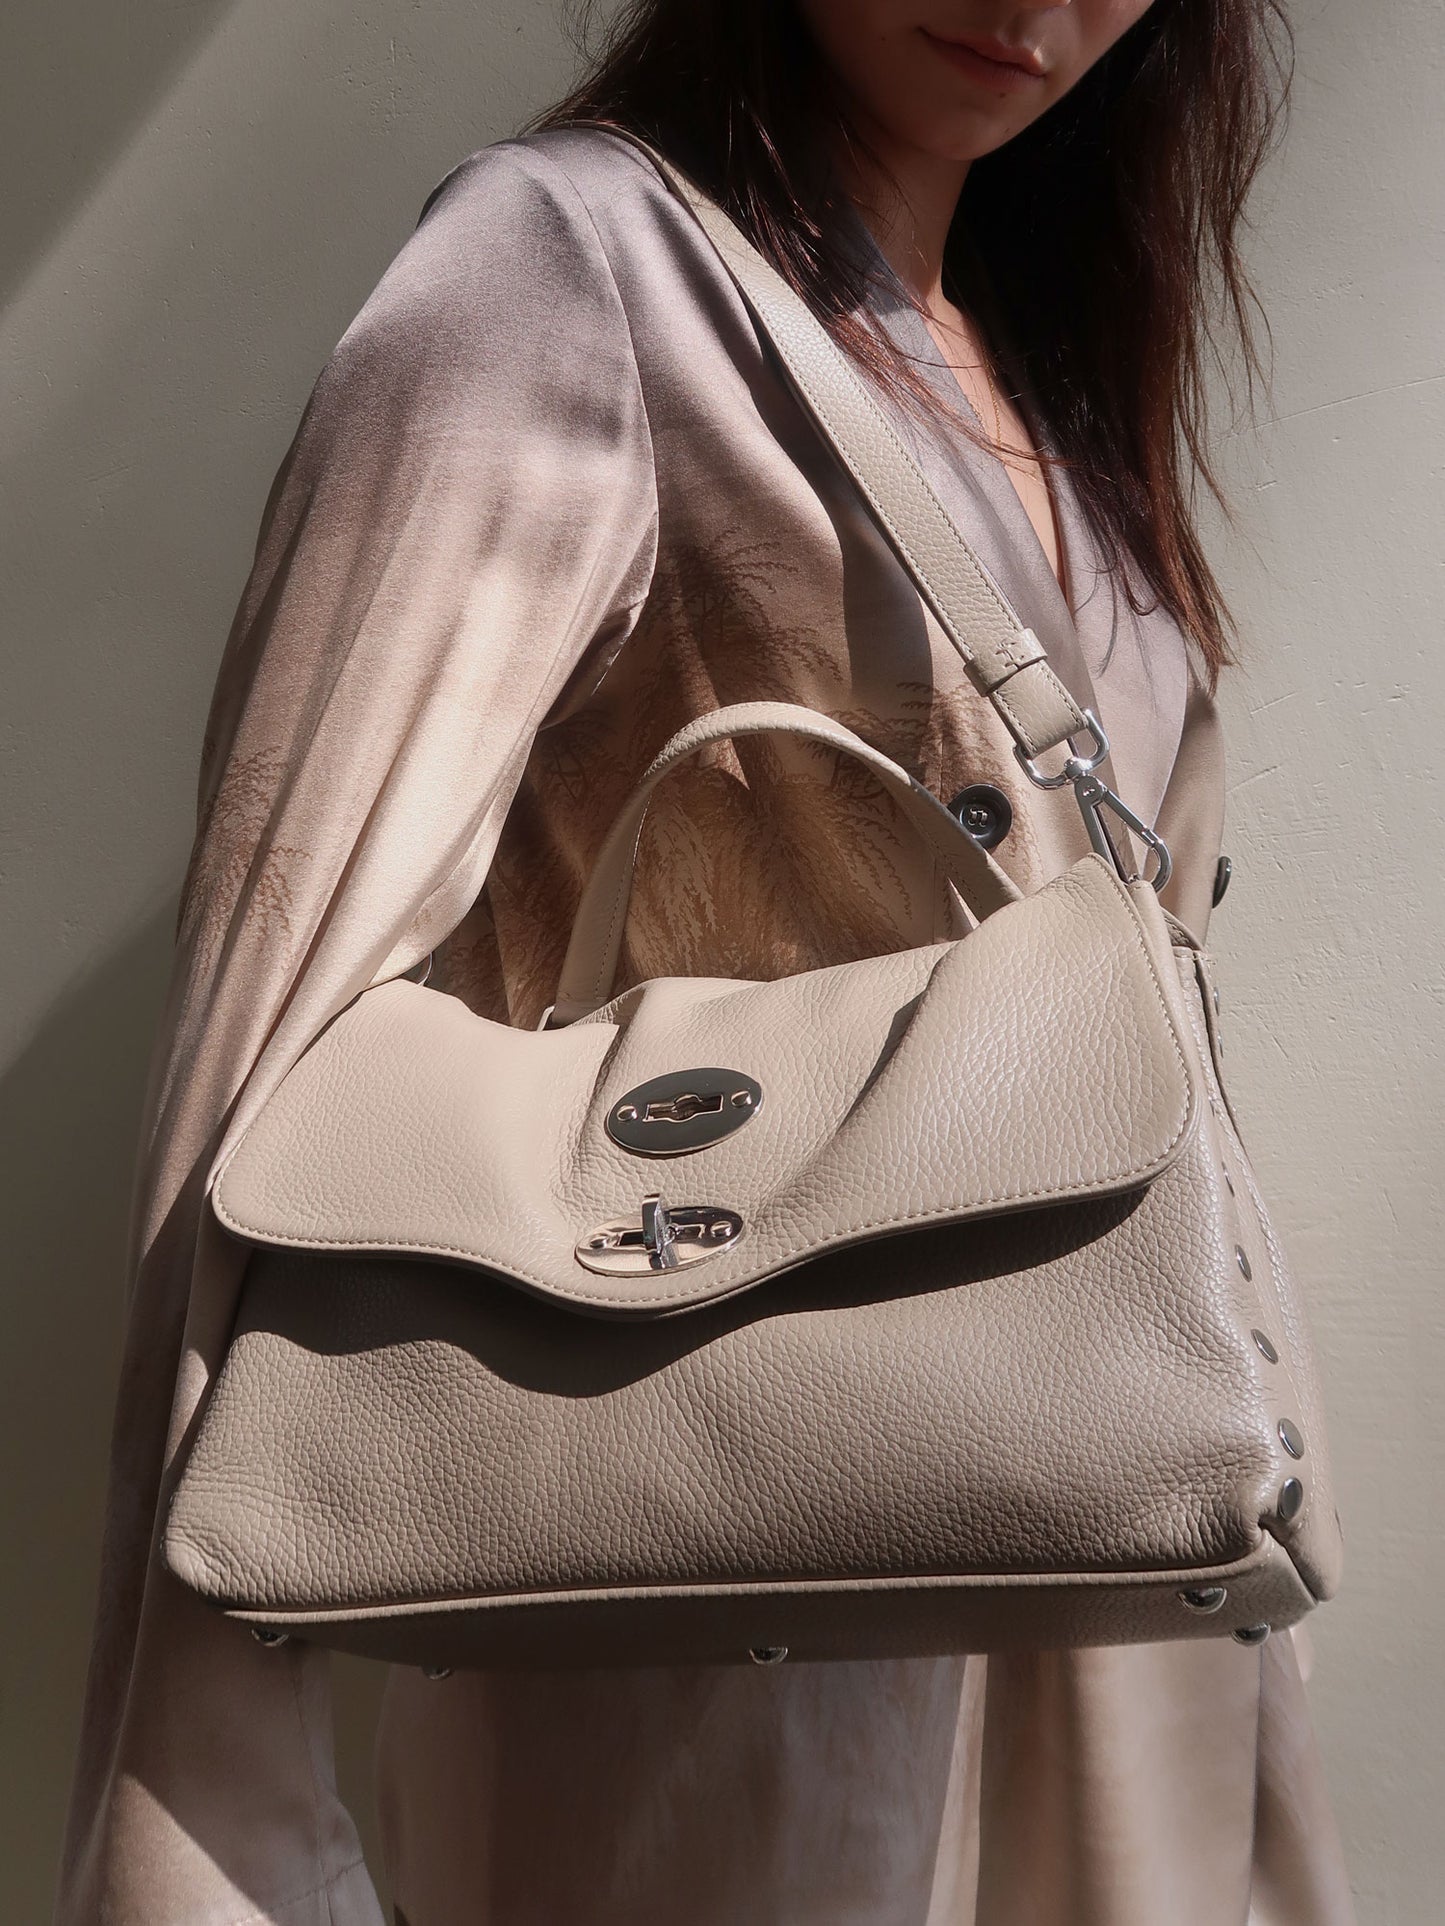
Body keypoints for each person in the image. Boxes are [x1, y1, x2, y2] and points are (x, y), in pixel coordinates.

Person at [59, 2, 1356, 1921]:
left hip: (1133, 1559)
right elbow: (264, 1054)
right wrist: (198, 1832)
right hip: (730, 1618)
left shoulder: (1040, 336)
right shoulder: (557, 274)